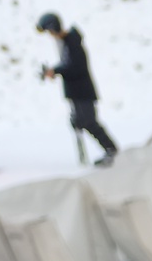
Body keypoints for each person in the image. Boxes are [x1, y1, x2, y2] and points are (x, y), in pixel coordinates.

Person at [36, 12, 117, 163]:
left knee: (89, 122)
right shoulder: (67, 43)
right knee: (82, 122)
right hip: (77, 92)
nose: (51, 36)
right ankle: (110, 151)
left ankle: (112, 151)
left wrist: (56, 71)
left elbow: (76, 67)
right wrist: (56, 71)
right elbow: (68, 66)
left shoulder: (72, 42)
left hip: (82, 92)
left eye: (50, 31)